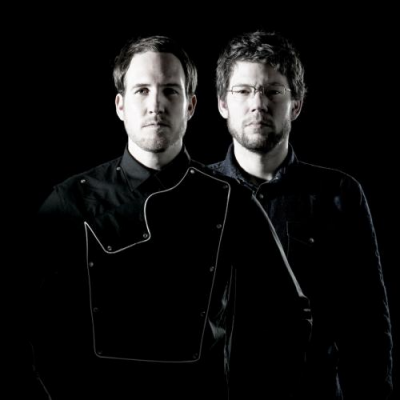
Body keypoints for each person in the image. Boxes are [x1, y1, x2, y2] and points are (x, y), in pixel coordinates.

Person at [26, 35, 311, 399]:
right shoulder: (72, 200)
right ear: (120, 105)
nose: (156, 105)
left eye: (170, 91)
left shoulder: (231, 200)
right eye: (142, 91)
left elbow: (290, 316)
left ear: (190, 105)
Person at [210, 30, 393, 400]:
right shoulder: (195, 192)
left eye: (273, 91)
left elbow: (367, 326)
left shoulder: (338, 194)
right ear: (222, 104)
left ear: (296, 104)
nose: (258, 104)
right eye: (243, 91)